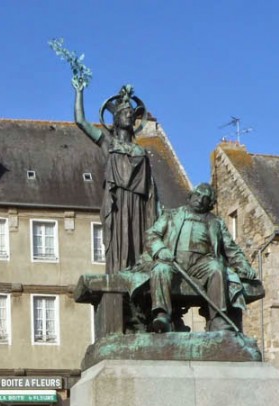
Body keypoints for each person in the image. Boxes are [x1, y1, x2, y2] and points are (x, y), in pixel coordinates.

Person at [145, 183, 259, 334]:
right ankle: (162, 315)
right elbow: (151, 235)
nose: (200, 199)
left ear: (210, 204)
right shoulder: (171, 215)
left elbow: (231, 248)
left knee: (217, 268)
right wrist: (160, 249)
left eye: (205, 198)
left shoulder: (216, 222)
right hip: (173, 260)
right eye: (198, 195)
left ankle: (217, 318)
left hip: (202, 263)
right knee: (160, 269)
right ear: (191, 195)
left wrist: (244, 266)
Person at [74, 82, 159, 273]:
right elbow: (81, 121)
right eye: (125, 112)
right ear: (116, 118)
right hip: (118, 203)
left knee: (137, 244)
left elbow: (153, 191)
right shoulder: (108, 143)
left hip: (138, 206)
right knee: (119, 244)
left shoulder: (141, 151)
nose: (129, 115)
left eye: (131, 113)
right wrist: (79, 93)